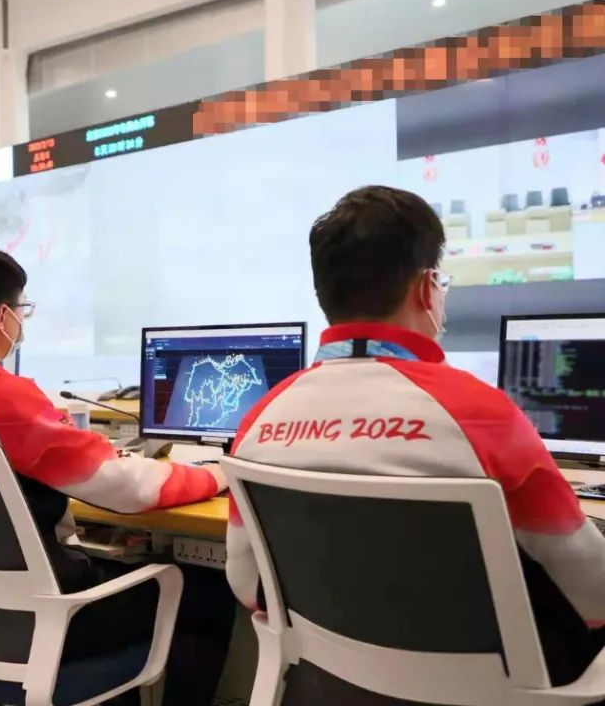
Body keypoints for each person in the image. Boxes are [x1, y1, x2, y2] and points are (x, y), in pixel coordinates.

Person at [227, 185, 605, 687]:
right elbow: (592, 592)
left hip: (335, 684)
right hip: (490, 690)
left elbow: (245, 583)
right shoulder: (482, 412)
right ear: (427, 288)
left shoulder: (259, 418)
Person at [0, 242, 236, 705]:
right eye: (22, 309)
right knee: (208, 590)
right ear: (2, 317)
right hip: (49, 619)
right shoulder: (4, 396)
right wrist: (217, 476)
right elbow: (127, 489)